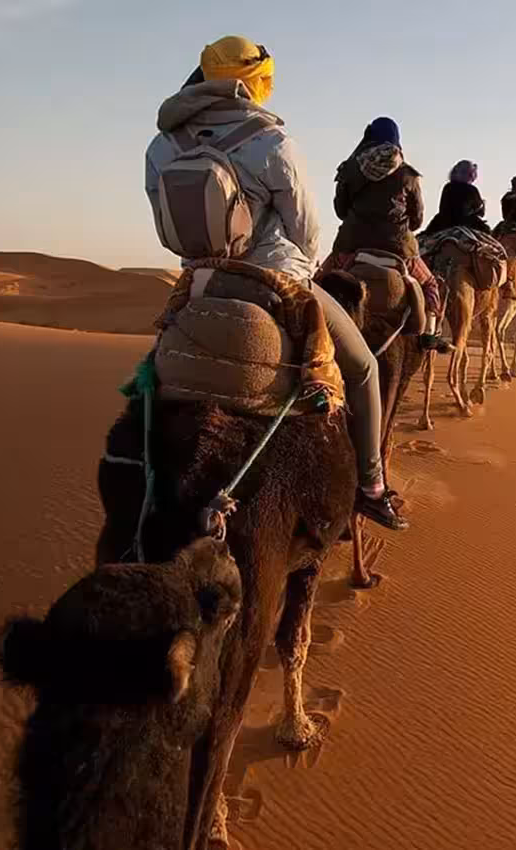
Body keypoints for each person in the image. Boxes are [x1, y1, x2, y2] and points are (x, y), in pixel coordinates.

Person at [145, 35, 405, 530]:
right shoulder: (272, 141)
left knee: (151, 372)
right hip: (276, 276)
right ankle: (371, 485)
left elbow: (165, 224)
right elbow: (305, 230)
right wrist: (296, 275)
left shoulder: (162, 145)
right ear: (254, 82)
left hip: (200, 281)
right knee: (365, 368)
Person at [330, 117, 448, 352]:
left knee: (318, 283)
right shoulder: (409, 175)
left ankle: (306, 329)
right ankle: (430, 333)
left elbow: (340, 210)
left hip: (351, 246)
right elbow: (417, 220)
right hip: (399, 251)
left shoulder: (350, 169)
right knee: (430, 284)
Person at [423, 160, 491, 234]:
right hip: (467, 223)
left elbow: (442, 208)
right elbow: (480, 212)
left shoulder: (447, 187)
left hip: (443, 222)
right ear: (471, 175)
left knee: (424, 237)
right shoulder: (472, 190)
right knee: (488, 233)